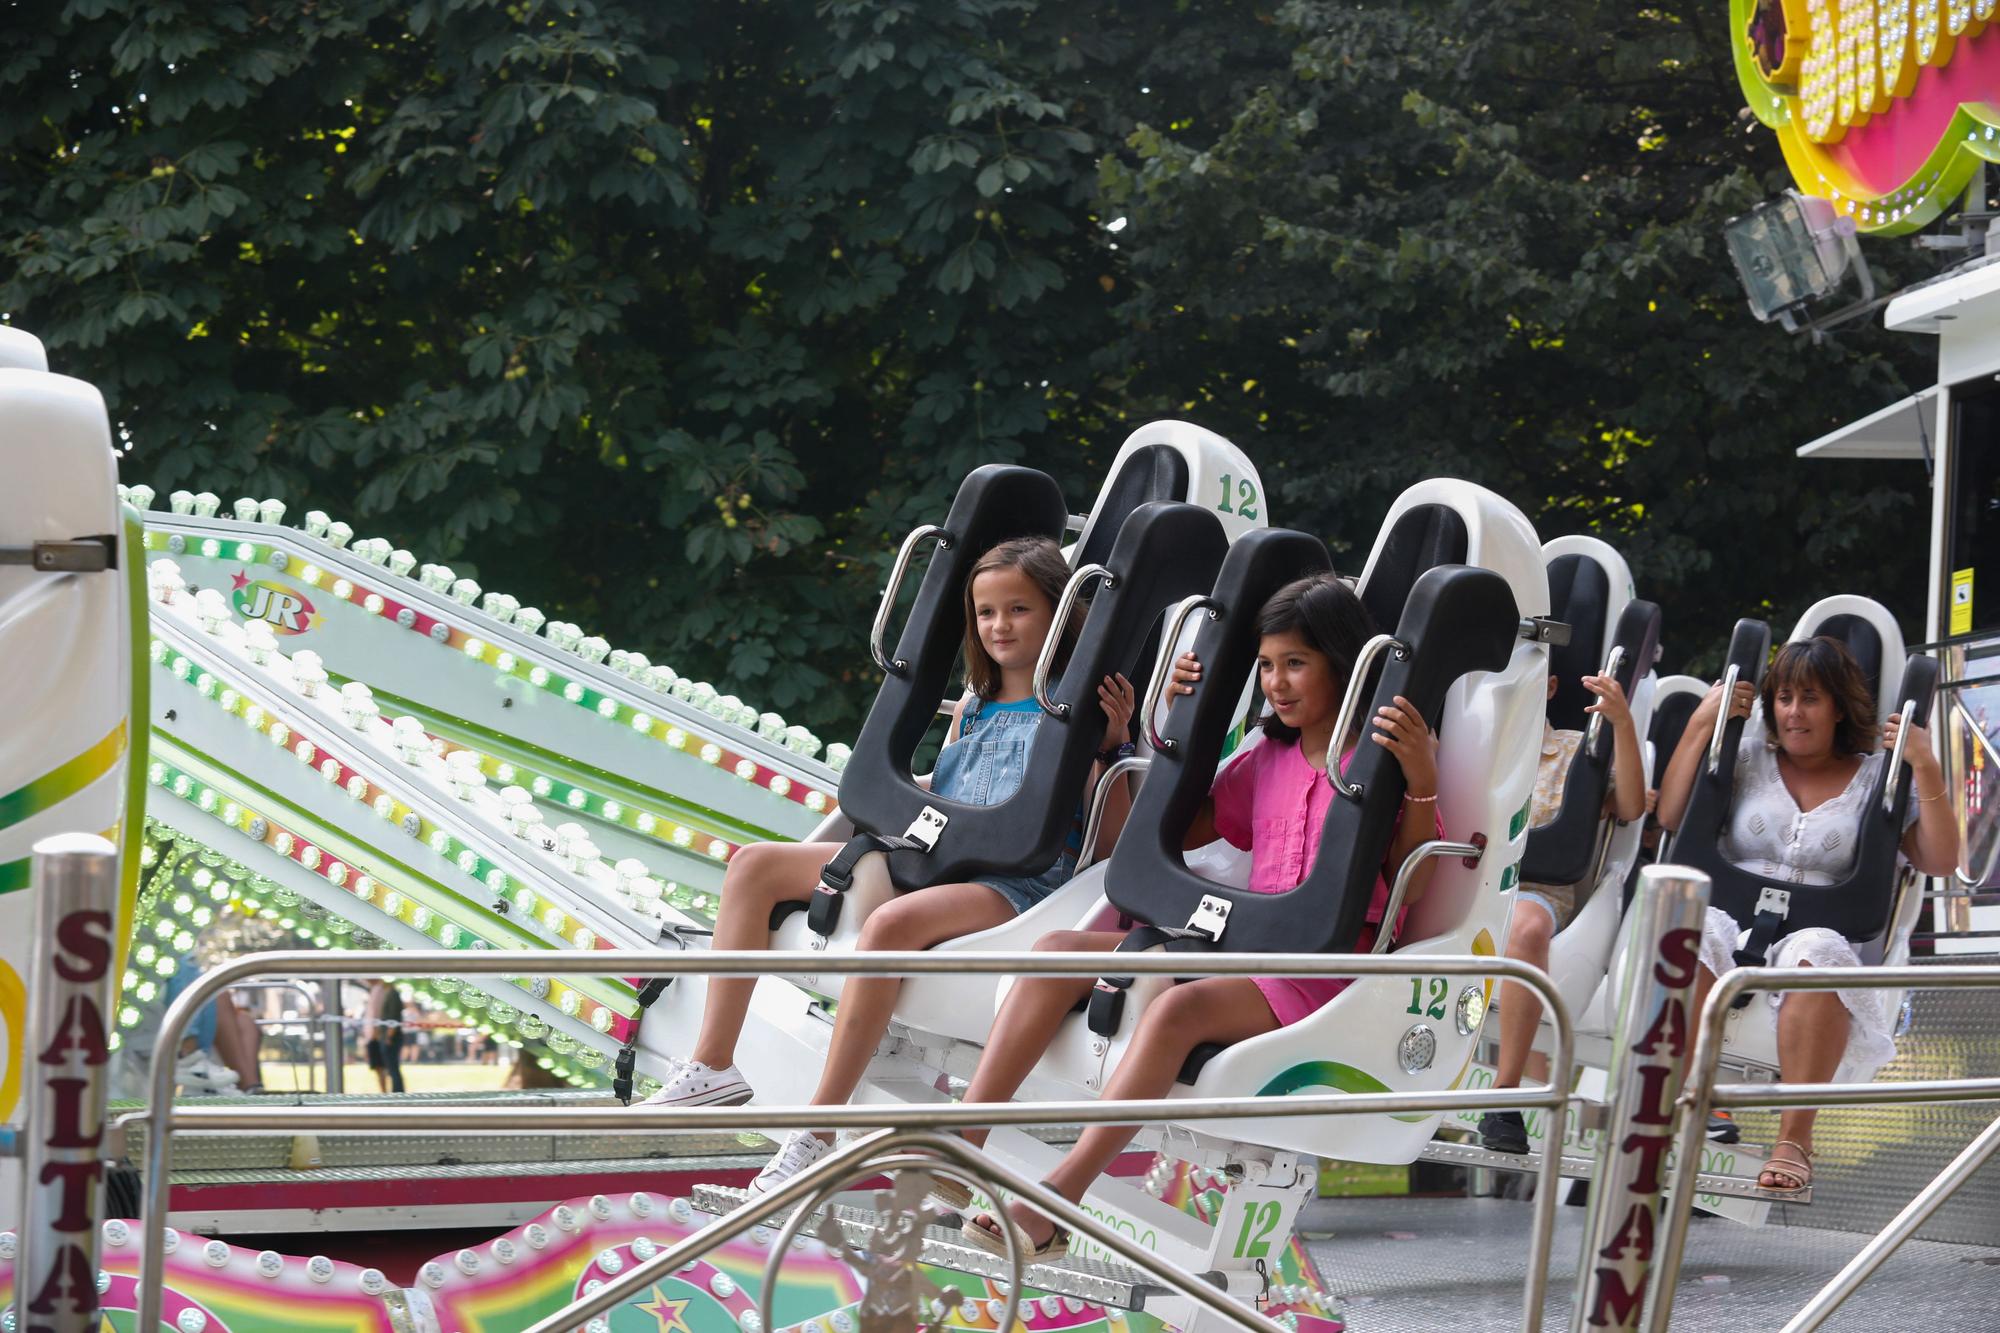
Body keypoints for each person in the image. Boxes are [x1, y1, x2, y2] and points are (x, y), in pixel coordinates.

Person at [951, 573, 1444, 1259]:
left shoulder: (1377, 762)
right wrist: (1177, 720)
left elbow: (1416, 875)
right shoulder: (1266, 757)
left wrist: (1421, 779)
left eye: (1296, 663)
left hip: (1323, 966)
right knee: (1057, 949)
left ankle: (1058, 1198)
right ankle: (963, 1144)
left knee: (1177, 1013)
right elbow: (1184, 827)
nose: (1276, 681)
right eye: (1267, 665)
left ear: (1342, 660)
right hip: (1247, 944)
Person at [638, 536, 1138, 1196]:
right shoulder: (973, 706)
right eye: (986, 613)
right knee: (756, 864)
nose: (999, 626)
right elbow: (943, 789)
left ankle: (817, 1131)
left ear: (1057, 616)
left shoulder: (1072, 721)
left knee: (891, 925)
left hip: (1014, 885)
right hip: (933, 855)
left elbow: (1108, 847)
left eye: (1018, 609)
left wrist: (1112, 746)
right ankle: (714, 1062)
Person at [1657, 636, 1960, 1192]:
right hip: (1732, 917)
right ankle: (1684, 1106)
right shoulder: (1745, 757)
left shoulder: (1878, 779)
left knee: (1814, 950)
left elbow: (1940, 859)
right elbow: (1672, 814)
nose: (1794, 712)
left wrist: (1925, 765)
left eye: (1811, 699)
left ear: (1839, 707)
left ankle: (1795, 1138)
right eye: (1785, 697)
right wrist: (1704, 725)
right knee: (1687, 933)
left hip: (1827, 930)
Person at [1480, 670, 1645, 1153]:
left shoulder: (1579, 750)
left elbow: (1631, 806)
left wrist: (1622, 725)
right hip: (1467, 888)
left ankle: (1504, 1093)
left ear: (1550, 687)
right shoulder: (1470, 747)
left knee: (1527, 929)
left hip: (1535, 890)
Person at [364, 978, 406, 1094]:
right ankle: (396, 1091)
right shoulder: (387, 992)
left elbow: (393, 1016)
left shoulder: (392, 994)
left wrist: (388, 1036)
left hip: (389, 1036)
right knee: (390, 1067)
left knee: (392, 1067)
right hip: (385, 1036)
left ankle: (398, 1092)